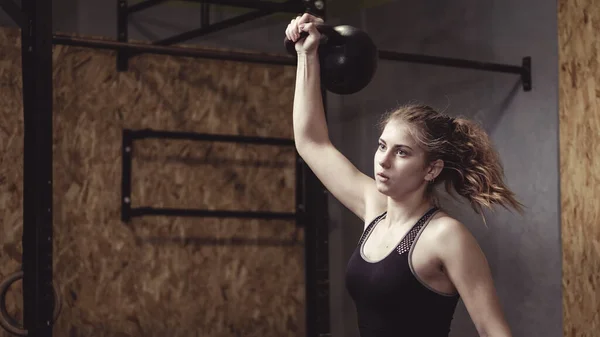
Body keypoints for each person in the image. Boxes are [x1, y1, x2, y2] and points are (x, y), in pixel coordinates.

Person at [285, 13, 524, 337]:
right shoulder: (374, 206)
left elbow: (495, 331)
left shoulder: (446, 237)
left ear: (431, 169)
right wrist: (306, 54)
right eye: (382, 146)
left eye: (402, 152)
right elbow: (311, 142)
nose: (383, 161)